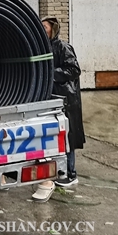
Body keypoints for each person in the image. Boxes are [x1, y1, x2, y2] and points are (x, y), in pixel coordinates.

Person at [32, 17, 85, 202]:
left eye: (45, 27)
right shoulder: (42, 46)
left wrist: (51, 74)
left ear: (52, 30)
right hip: (51, 98)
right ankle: (59, 171)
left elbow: (74, 69)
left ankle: (70, 174)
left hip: (66, 99)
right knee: (56, 137)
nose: (42, 29)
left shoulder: (63, 47)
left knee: (68, 137)